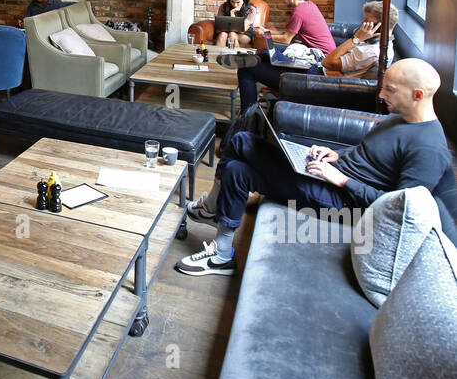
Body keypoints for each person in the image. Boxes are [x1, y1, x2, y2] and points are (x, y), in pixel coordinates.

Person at [176, 58, 451, 277]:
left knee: (240, 140)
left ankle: (211, 208)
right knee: (237, 170)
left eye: (389, 89)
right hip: (329, 180)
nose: (381, 94)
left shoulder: (429, 148)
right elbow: (365, 155)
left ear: (417, 94)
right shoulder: (398, 119)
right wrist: (335, 155)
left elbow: (399, 210)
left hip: (345, 205)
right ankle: (222, 255)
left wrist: (343, 180)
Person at [235, 0, 337, 111]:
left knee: (246, 69)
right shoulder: (309, 5)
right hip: (318, 61)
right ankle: (257, 86)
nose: (281, 0)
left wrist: (263, 35)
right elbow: (288, 33)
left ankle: (247, 115)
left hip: (316, 66)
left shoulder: (298, 12)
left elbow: (286, 39)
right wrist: (266, 30)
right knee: (264, 54)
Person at [320, 1, 397, 79]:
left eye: (367, 21)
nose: (362, 23)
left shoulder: (368, 52)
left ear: (379, 26)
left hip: (320, 77)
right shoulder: (386, 44)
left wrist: (356, 38)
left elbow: (326, 62)